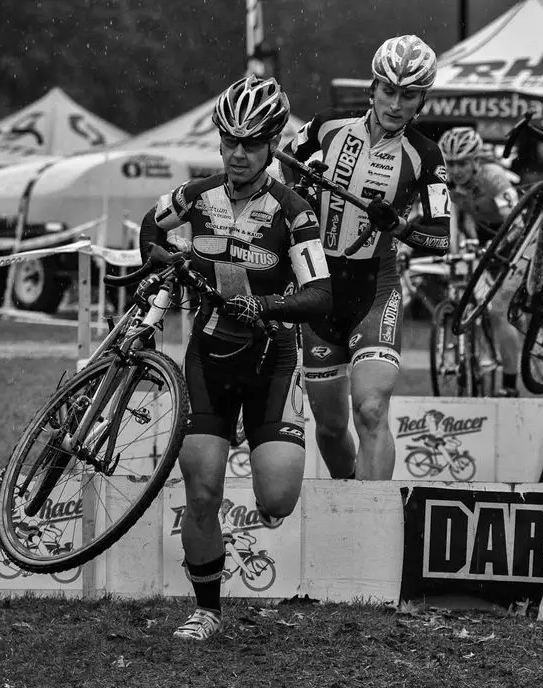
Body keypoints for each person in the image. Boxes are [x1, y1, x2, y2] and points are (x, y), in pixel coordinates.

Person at [139, 75, 332, 641]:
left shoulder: (292, 210)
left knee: (276, 498)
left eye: (251, 143)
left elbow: (320, 293)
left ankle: (265, 442)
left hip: (271, 361)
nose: (238, 154)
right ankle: (208, 610)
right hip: (209, 359)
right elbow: (152, 225)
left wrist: (266, 304)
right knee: (201, 492)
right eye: (229, 141)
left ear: (273, 144)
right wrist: (160, 259)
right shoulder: (197, 195)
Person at [281, 35, 450, 481]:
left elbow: (441, 237)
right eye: (389, 91)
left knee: (371, 410)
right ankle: (346, 498)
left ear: (422, 101)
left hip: (375, 289)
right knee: (332, 429)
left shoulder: (426, 155)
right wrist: (305, 184)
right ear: (372, 88)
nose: (396, 104)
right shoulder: (325, 126)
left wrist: (400, 226)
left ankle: (372, 518)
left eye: (409, 95)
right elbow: (281, 177)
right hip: (318, 290)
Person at [438, 126, 522, 396]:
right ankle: (478, 354)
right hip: (483, 238)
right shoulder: (447, 182)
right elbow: (451, 219)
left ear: (476, 161)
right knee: (476, 300)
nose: (456, 170)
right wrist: (449, 251)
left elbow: (517, 224)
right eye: (450, 163)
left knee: (499, 310)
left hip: (517, 239)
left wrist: (493, 248)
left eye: (462, 163)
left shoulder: (493, 177)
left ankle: (510, 385)